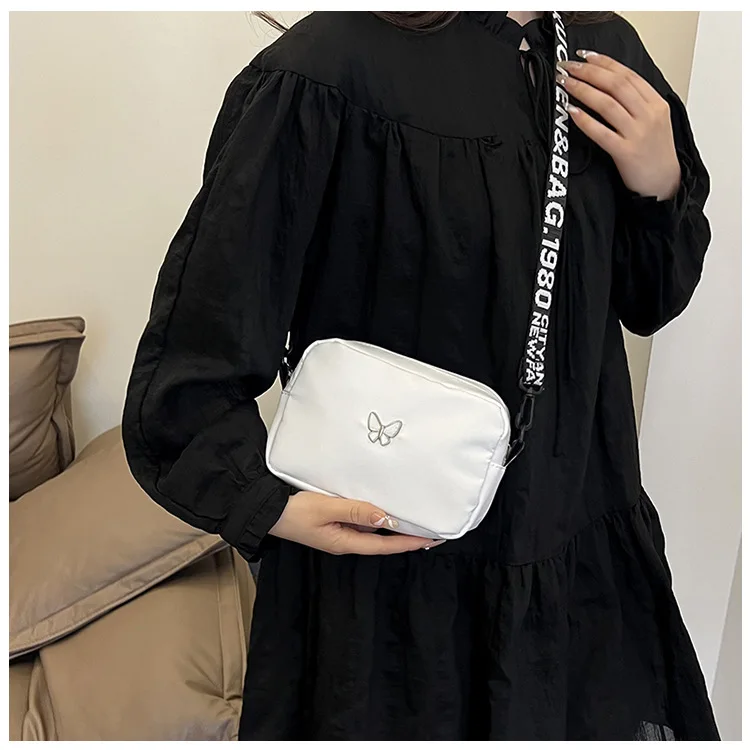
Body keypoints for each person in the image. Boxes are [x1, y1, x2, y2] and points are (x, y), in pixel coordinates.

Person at [122, 11, 720, 741]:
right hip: (391, 583)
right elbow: (198, 348)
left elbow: (651, 299)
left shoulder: (607, 51)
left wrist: (661, 183)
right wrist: (265, 505)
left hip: (577, 556)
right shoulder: (325, 68)